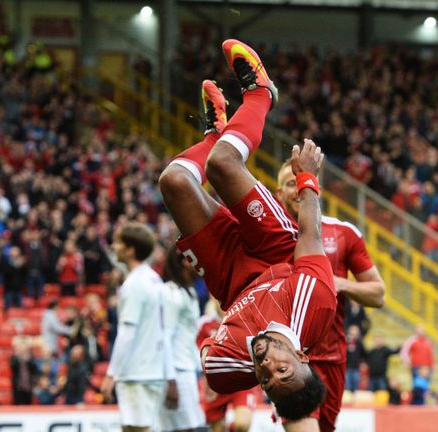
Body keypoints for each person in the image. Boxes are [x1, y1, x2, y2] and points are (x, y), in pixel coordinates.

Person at [158, 40, 335, 427]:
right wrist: (307, 179)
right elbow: (309, 238)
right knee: (223, 163)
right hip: (276, 250)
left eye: (268, 381)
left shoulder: (224, 369)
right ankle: (260, 94)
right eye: (284, 370)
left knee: (173, 182)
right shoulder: (316, 303)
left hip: (231, 278)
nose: (269, 367)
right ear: (303, 357)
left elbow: (214, 335)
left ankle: (212, 135)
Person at [275, 153, 385, 431]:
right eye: (291, 183)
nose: (298, 188)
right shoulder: (268, 236)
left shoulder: (344, 233)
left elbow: (378, 294)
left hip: (334, 360)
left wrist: (341, 284)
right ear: (278, 193)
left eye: (302, 181)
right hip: (290, 358)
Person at [100, 223, 177, 431]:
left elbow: (127, 333)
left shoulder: (133, 285)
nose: (114, 247)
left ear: (130, 249)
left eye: (118, 243)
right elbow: (164, 332)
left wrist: (110, 375)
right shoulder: (155, 280)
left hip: (136, 374)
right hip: (154, 372)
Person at [161, 246, 205, 432]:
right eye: (196, 259)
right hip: (175, 373)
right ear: (184, 262)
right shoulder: (170, 293)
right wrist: (170, 380)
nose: (201, 264)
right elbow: (164, 337)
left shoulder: (190, 293)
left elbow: (188, 336)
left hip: (187, 369)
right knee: (185, 428)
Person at [196, 301, 255, 432]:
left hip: (240, 381)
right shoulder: (204, 324)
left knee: (242, 424)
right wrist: (206, 377)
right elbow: (196, 353)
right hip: (215, 386)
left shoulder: (242, 316)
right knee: (218, 429)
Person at [9, 339, 38, 405]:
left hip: (28, 383)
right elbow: (12, 367)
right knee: (18, 402)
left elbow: (34, 368)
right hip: (18, 384)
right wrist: (17, 356)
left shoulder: (30, 357)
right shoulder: (14, 357)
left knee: (28, 402)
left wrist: (27, 359)